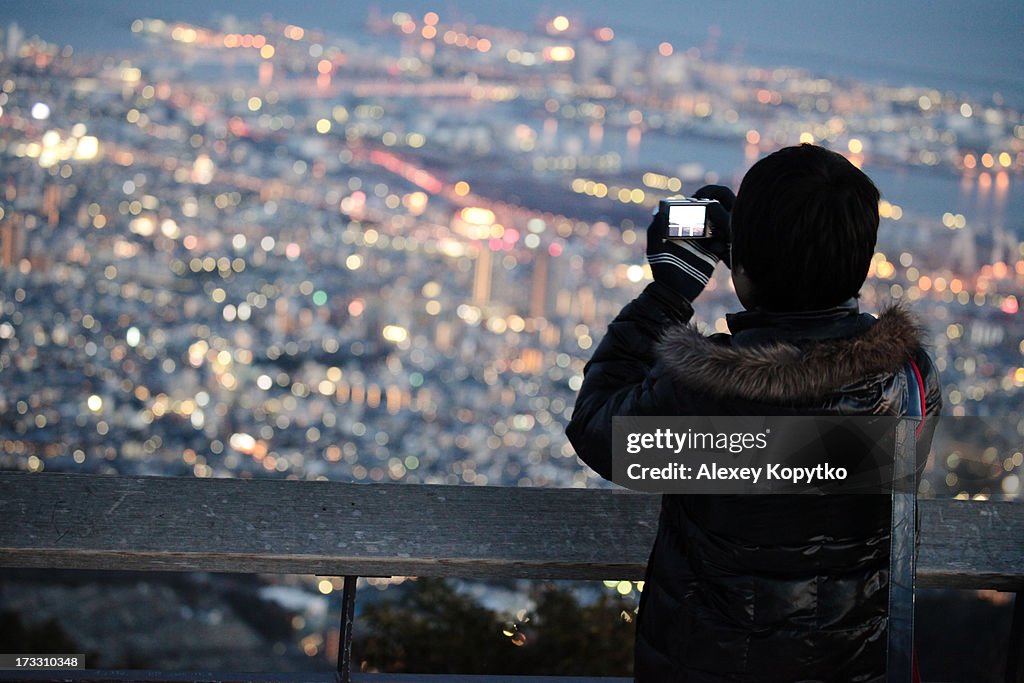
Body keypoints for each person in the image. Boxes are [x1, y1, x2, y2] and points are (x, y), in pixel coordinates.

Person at [566, 144, 941, 682]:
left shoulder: (707, 389)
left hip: (707, 666)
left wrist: (668, 295)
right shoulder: (910, 379)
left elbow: (597, 432)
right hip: (852, 664)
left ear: (743, 270)